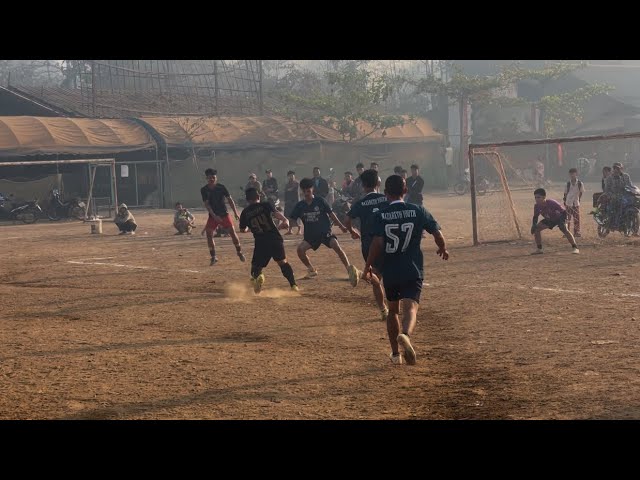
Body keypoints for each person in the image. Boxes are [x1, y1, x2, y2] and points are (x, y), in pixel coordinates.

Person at [363, 175, 449, 365]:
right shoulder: (418, 211)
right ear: (405, 191)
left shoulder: (380, 215)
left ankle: (395, 355)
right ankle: (405, 335)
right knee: (411, 307)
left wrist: (368, 265)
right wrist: (442, 248)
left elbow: (377, 243)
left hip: (391, 269)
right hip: (412, 268)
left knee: (393, 310)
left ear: (386, 194)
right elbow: (437, 232)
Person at [290, 177, 359, 286]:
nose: (306, 193)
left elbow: (331, 214)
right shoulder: (300, 206)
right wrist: (291, 224)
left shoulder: (320, 201)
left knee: (336, 245)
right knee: (300, 250)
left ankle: (349, 269)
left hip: (325, 232)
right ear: (301, 191)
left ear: (312, 189)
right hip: (311, 236)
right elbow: (292, 218)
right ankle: (311, 269)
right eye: (304, 191)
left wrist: (341, 226)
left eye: (308, 191)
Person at [344, 169, 389, 321]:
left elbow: (347, 220)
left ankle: (383, 310)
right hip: (386, 242)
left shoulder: (360, 203)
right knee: (386, 275)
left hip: (367, 245)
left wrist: (353, 231)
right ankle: (389, 308)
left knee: (376, 278)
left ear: (363, 186)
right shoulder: (385, 199)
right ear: (378, 183)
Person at [239, 188, 299, 293]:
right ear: (258, 197)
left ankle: (259, 278)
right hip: (274, 239)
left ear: (247, 200)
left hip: (261, 242)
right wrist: (285, 220)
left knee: (256, 268)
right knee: (282, 262)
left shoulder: (245, 213)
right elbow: (277, 215)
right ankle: (293, 285)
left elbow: (242, 230)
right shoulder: (265, 205)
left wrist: (251, 227)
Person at [200, 168, 245, 265]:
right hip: (213, 216)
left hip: (224, 214)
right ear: (206, 178)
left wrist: (236, 213)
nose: (211, 179)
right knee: (209, 234)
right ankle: (213, 256)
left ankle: (239, 251)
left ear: (216, 178)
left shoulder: (221, 187)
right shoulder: (204, 190)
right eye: (209, 177)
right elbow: (207, 205)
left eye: (213, 177)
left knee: (232, 233)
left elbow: (230, 200)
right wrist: (214, 216)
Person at [531, 188, 579, 255]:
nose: (536, 199)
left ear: (544, 197)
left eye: (538, 197)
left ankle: (575, 248)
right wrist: (533, 225)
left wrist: (562, 222)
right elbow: (535, 216)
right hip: (549, 220)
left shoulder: (552, 203)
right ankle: (539, 249)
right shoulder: (537, 206)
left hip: (560, 218)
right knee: (536, 229)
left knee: (564, 229)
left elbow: (564, 212)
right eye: (535, 197)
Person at [604, 162, 635, 228]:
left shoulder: (626, 176)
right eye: (615, 168)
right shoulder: (609, 178)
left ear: (621, 169)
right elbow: (607, 190)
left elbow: (630, 185)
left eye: (618, 168)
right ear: (613, 169)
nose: (616, 170)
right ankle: (611, 222)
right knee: (614, 208)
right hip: (613, 196)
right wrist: (611, 195)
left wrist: (635, 190)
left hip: (625, 196)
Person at [563, 168, 584, 238]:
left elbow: (581, 192)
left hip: (576, 203)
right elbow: (565, 193)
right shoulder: (568, 184)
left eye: (573, 173)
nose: (572, 175)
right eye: (571, 174)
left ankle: (576, 232)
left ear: (576, 174)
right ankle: (566, 232)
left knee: (576, 218)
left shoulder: (580, 183)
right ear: (569, 175)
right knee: (567, 219)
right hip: (568, 203)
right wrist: (565, 201)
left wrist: (578, 199)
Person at [284, 170, 301, 235]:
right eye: (289, 175)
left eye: (292, 175)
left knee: (297, 216)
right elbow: (286, 193)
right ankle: (290, 230)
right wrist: (286, 201)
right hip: (288, 202)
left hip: (296, 202)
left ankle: (299, 230)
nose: (291, 177)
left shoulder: (297, 183)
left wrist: (290, 189)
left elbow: (297, 193)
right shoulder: (287, 184)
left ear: (294, 176)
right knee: (289, 216)